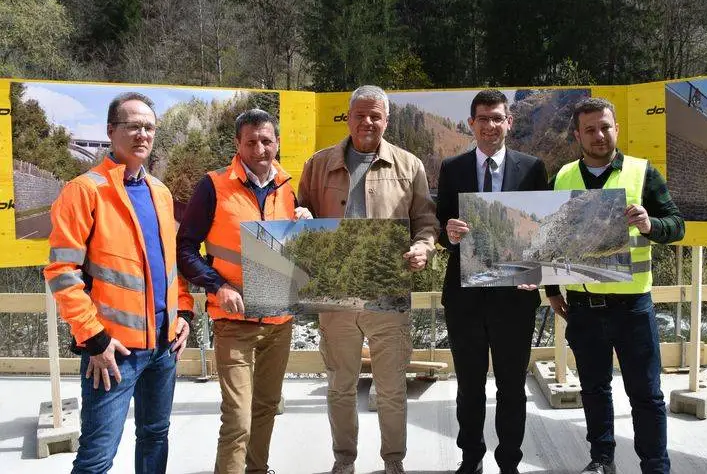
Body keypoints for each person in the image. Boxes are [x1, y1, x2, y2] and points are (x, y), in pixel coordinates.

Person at [43, 92, 193, 473]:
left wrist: (185, 315)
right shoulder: (85, 191)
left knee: (155, 437)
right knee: (97, 457)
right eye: (132, 126)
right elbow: (62, 272)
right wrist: (94, 339)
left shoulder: (160, 192)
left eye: (149, 127)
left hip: (164, 347)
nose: (142, 134)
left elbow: (171, 265)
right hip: (112, 353)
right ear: (112, 131)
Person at [297, 85, 438, 474]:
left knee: (391, 388)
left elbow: (426, 222)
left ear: (386, 120)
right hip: (336, 293)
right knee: (340, 386)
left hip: (388, 292)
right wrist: (301, 218)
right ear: (348, 117)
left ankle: (394, 461)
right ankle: (344, 460)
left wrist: (424, 247)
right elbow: (300, 210)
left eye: (375, 115)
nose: (367, 122)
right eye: (360, 115)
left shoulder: (409, 166)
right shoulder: (318, 164)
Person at [546, 97, 685, 474]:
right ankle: (601, 460)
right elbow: (550, 239)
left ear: (616, 129)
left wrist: (649, 225)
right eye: (589, 129)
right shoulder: (561, 177)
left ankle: (655, 466)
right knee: (593, 389)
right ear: (577, 134)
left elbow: (677, 225)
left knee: (646, 396)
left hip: (633, 308)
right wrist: (552, 290)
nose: (599, 135)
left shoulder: (643, 173)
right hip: (584, 308)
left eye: (605, 127)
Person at [177, 109, 311, 474]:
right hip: (234, 321)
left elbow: (292, 252)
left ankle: (257, 469)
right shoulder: (214, 185)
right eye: (250, 141)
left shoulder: (286, 185)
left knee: (267, 407)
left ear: (277, 143)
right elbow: (185, 248)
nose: (259, 149)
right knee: (238, 419)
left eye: (266, 141)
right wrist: (217, 287)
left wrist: (307, 226)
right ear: (237, 144)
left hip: (279, 321)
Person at [436, 89, 549, 474]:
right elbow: (439, 228)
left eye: (497, 118)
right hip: (465, 297)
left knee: (512, 388)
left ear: (509, 122)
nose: (490, 125)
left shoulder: (533, 168)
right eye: (482, 118)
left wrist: (541, 276)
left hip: (515, 298)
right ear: (472, 124)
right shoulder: (452, 168)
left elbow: (543, 233)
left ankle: (509, 462)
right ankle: (471, 458)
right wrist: (448, 234)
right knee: (469, 387)